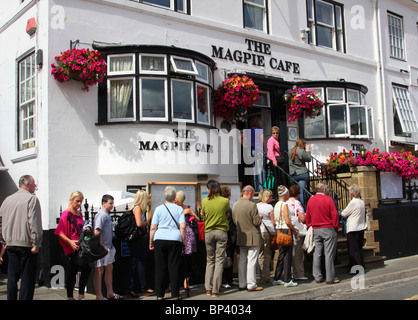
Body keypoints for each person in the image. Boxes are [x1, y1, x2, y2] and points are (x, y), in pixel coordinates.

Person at [0, 175, 42, 300]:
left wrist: (4, 239)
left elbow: (1, 221)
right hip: (26, 244)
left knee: (12, 277)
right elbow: (33, 223)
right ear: (27, 184)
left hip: (11, 243)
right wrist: (36, 243)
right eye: (34, 183)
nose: (35, 186)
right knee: (27, 279)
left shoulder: (7, 200)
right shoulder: (31, 199)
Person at [149, 186, 186, 300]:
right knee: (174, 266)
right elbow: (183, 226)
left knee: (160, 267)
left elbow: (153, 227)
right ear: (175, 197)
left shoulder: (158, 209)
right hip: (175, 238)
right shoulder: (179, 209)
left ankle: (159, 294)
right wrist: (183, 241)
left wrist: (151, 241)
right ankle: (175, 294)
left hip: (160, 238)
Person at [55, 191, 93, 300]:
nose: (79, 204)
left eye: (81, 201)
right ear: (71, 200)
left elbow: (80, 227)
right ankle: (72, 296)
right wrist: (70, 242)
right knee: (75, 270)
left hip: (80, 244)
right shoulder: (66, 213)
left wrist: (85, 229)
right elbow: (60, 232)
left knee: (81, 269)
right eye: (77, 201)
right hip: (72, 246)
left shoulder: (79, 213)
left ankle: (79, 295)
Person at [305, 182, 339, 284]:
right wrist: (335, 227)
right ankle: (329, 278)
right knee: (328, 254)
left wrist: (309, 225)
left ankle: (317, 277)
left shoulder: (311, 200)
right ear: (324, 190)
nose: (328, 191)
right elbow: (335, 215)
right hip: (328, 228)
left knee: (317, 254)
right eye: (327, 190)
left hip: (316, 228)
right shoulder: (329, 200)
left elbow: (308, 216)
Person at [201, 180, 230, 297]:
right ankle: (216, 289)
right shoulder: (225, 201)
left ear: (209, 189)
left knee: (210, 260)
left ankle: (208, 287)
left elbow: (203, 216)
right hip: (221, 231)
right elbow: (227, 214)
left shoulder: (204, 201)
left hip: (208, 231)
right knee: (219, 260)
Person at [232, 185, 263, 292]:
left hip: (241, 235)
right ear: (250, 193)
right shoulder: (252, 205)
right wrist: (261, 217)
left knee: (242, 260)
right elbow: (256, 222)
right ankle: (251, 284)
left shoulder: (235, 205)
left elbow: (235, 221)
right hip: (253, 235)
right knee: (252, 260)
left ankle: (242, 283)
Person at [126, 190, 153, 298]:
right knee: (139, 263)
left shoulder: (135, 207)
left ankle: (131, 287)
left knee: (135, 263)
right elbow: (139, 223)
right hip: (137, 240)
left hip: (135, 240)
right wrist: (147, 222)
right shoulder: (137, 208)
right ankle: (142, 287)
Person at [93, 194, 121, 300]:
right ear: (104, 203)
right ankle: (99, 296)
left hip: (109, 246)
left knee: (109, 268)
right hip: (103, 248)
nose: (112, 205)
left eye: (113, 203)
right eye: (110, 203)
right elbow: (97, 231)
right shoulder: (101, 215)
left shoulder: (107, 215)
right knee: (99, 270)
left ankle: (110, 292)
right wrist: (101, 245)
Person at [273, 185, 299, 287]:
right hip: (285, 230)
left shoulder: (276, 205)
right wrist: (294, 229)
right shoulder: (284, 205)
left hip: (278, 229)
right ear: (286, 194)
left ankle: (277, 277)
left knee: (281, 254)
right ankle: (287, 279)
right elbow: (287, 221)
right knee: (287, 255)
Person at [175, 190, 199, 294]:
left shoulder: (187, 207)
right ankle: (174, 282)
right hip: (177, 234)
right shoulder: (174, 208)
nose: (175, 201)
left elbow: (198, 220)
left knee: (188, 260)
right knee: (177, 260)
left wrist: (192, 213)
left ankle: (186, 281)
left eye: (177, 199)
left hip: (188, 235)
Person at [341, 184, 367, 272]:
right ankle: (361, 266)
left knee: (353, 250)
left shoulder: (353, 202)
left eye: (349, 192)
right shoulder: (361, 201)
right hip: (360, 227)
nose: (348, 193)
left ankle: (356, 269)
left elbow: (344, 213)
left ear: (352, 193)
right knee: (359, 248)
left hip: (353, 228)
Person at [286, 184, 308, 281]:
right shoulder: (297, 203)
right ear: (298, 194)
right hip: (297, 230)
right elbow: (302, 218)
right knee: (298, 253)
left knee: (290, 253)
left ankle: (290, 273)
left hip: (287, 229)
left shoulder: (285, 203)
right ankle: (298, 274)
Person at [257, 188, 276, 283]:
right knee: (268, 253)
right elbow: (273, 221)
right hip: (269, 231)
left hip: (259, 231)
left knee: (261, 253)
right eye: (270, 196)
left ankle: (261, 274)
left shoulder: (256, 206)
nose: (272, 198)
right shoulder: (269, 207)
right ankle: (267, 276)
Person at [220, 186, 236, 289]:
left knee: (229, 260)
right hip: (228, 238)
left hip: (230, 237)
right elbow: (229, 225)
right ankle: (225, 280)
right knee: (226, 259)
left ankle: (229, 279)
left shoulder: (227, 207)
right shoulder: (226, 208)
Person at [289, 138, 312, 208]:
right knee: (301, 192)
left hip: (293, 174)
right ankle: (302, 208)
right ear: (303, 145)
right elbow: (308, 159)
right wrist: (308, 150)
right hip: (302, 174)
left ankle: (293, 207)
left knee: (293, 192)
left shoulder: (290, 151)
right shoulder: (302, 151)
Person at [266, 126, 284, 196]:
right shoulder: (271, 140)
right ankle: (275, 193)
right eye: (274, 133)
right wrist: (274, 160)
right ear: (271, 133)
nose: (275, 134)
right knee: (276, 176)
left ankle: (277, 192)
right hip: (273, 160)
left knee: (278, 176)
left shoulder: (276, 140)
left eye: (277, 133)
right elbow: (270, 151)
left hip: (276, 159)